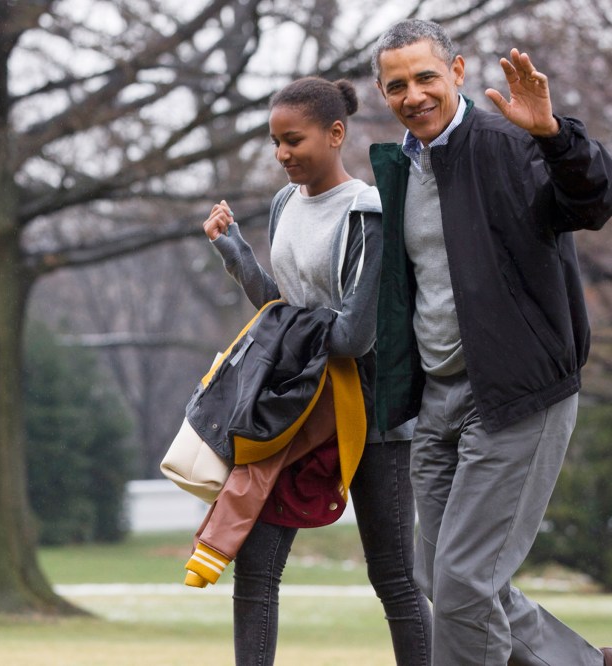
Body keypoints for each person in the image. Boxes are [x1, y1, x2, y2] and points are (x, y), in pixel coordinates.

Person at [369, 18, 612, 666]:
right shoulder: (401, 169)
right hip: (437, 400)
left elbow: (591, 200)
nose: (414, 94)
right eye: (397, 85)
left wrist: (557, 137)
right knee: (445, 581)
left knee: (465, 586)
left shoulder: (508, 141)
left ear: (458, 72)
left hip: (516, 393)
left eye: (426, 76)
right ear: (383, 94)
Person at [203, 77, 431, 665]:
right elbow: (278, 305)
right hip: (295, 406)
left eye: (293, 140)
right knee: (255, 569)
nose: (281, 154)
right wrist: (236, 253)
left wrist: (292, 327)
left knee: (395, 580)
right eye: (275, 141)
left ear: (335, 134)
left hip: (372, 417)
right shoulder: (284, 204)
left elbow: (356, 336)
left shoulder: (369, 216)